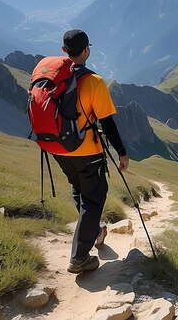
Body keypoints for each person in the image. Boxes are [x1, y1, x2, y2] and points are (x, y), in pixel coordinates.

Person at [52, 29, 130, 274]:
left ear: (65, 51)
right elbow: (107, 122)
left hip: (58, 149)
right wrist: (122, 152)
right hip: (86, 150)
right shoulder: (94, 82)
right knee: (94, 197)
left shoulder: (54, 78)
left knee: (79, 189)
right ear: (87, 49)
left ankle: (94, 231)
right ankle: (79, 257)